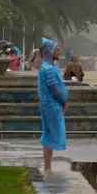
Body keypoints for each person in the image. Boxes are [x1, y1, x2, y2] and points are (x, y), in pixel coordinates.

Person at [37, 38, 68, 173]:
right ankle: (47, 167)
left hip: (50, 105)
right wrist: (64, 101)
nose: (59, 51)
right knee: (50, 134)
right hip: (51, 105)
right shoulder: (48, 69)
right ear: (48, 52)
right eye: (56, 49)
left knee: (49, 134)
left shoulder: (47, 67)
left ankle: (47, 167)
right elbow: (55, 89)